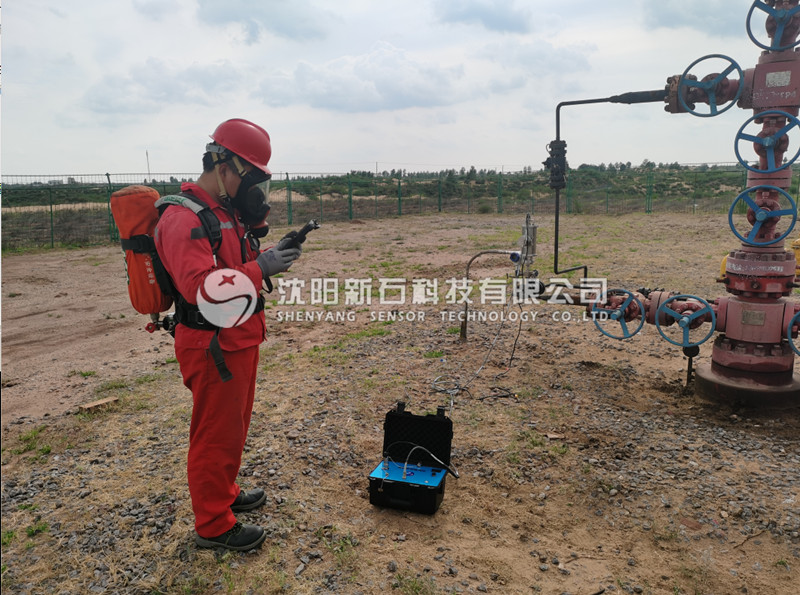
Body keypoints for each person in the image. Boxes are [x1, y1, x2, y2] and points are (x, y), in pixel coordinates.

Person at [155, 118, 301, 551]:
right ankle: (213, 524)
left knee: (233, 428)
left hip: (238, 336)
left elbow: (234, 263)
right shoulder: (182, 217)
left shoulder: (223, 212)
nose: (255, 190)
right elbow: (201, 288)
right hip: (212, 344)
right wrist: (261, 268)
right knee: (215, 434)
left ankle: (225, 493)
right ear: (224, 168)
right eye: (251, 179)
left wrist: (267, 249)